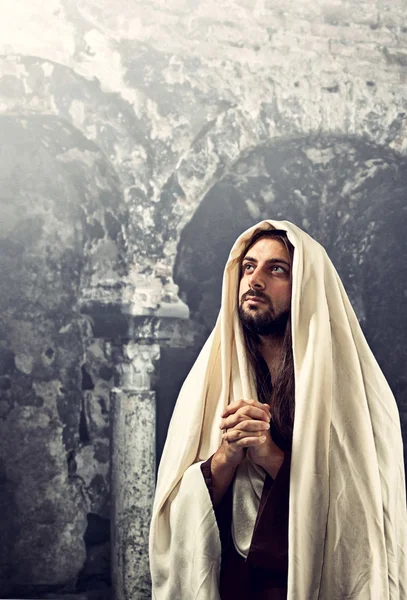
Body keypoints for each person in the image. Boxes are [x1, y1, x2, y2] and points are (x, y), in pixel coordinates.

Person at [149, 219, 407, 600]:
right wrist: (228, 455)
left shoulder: (357, 390)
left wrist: (269, 454)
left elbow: (357, 520)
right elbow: (179, 508)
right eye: (249, 267)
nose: (255, 280)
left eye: (277, 270)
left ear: (304, 286)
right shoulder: (213, 377)